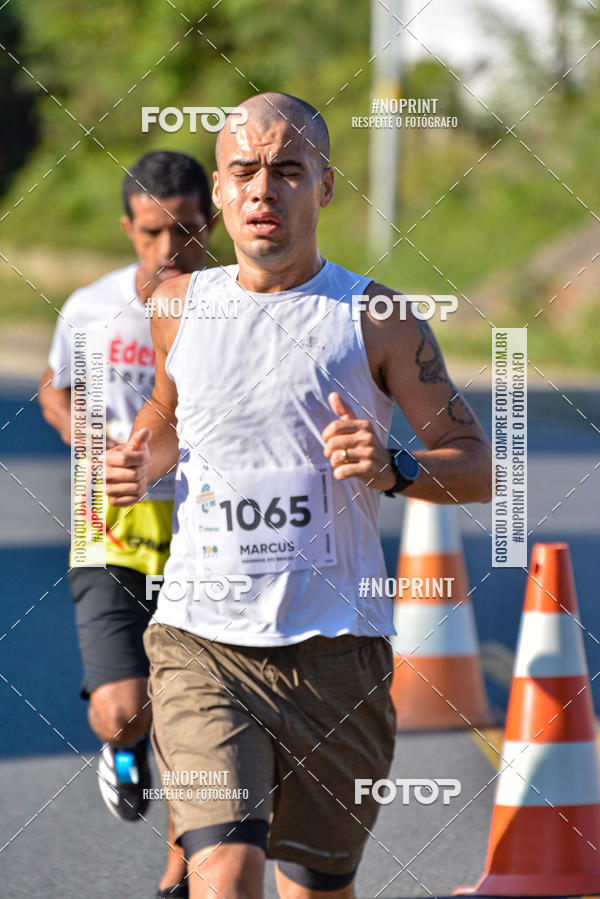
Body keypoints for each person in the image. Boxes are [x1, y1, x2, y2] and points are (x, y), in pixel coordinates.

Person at [105, 93, 492, 899]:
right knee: (225, 871)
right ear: (219, 190)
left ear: (325, 185)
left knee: (317, 887)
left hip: (337, 655)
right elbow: (167, 417)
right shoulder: (176, 306)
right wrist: (138, 461)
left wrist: (394, 466)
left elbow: (480, 467)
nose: (263, 189)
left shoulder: (377, 316)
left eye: (287, 169)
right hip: (201, 643)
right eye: (244, 170)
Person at [39, 150, 214, 899]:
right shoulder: (92, 308)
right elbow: (56, 388)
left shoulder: (239, 307)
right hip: (107, 525)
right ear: (127, 228)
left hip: (207, 533)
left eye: (186, 229)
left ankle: (180, 872)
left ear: (211, 224)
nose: (169, 248)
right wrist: (84, 435)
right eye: (151, 232)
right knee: (124, 710)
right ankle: (122, 747)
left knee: (188, 712)